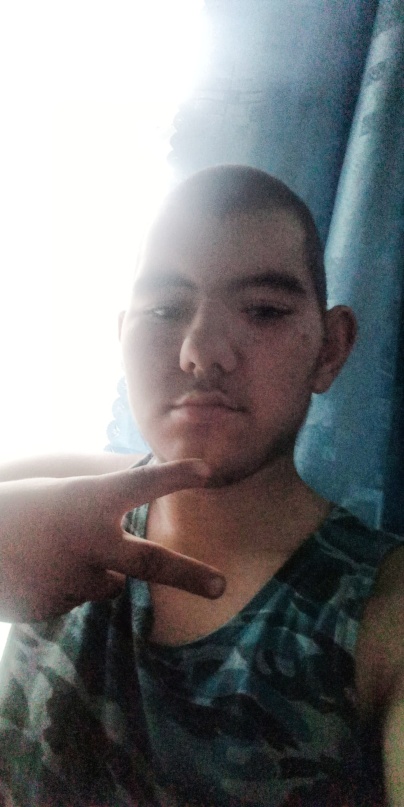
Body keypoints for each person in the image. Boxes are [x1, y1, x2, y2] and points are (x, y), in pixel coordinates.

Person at [0, 165, 403, 806]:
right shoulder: (52, 500)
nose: (201, 352)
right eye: (165, 309)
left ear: (330, 349)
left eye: (263, 310)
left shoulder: (382, 613)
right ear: (123, 337)